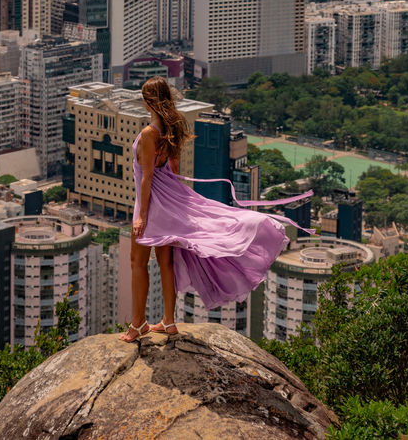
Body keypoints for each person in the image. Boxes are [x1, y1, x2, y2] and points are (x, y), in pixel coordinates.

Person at [119, 76, 312, 343]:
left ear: (148, 101)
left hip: (152, 204)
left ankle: (137, 324)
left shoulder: (149, 134)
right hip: (170, 204)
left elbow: (146, 178)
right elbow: (175, 171)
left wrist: (141, 215)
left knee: (137, 263)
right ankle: (168, 321)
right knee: (166, 262)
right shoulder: (171, 130)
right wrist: (182, 205)